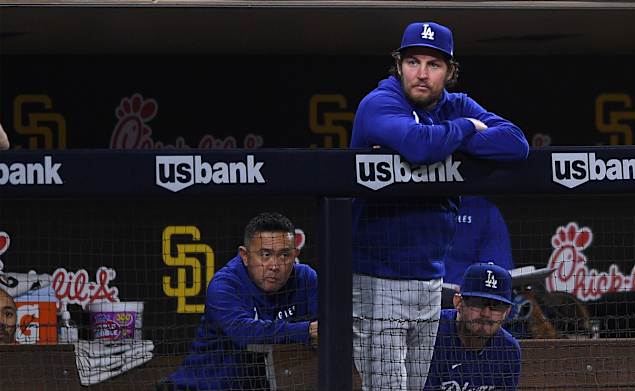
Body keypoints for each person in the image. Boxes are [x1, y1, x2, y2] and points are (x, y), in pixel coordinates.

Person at [351, 21, 528, 390]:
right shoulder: (380, 102)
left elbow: (516, 143)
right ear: (398, 65)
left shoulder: (455, 104)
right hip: (377, 278)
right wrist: (465, 129)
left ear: (450, 71)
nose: (421, 73)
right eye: (413, 61)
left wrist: (449, 138)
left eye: (434, 65)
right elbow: (418, 145)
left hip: (430, 281)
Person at [163, 212, 318, 390]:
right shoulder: (225, 284)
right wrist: (306, 330)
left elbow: (328, 329)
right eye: (265, 254)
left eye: (284, 255)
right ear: (245, 255)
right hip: (200, 387)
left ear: (295, 254)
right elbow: (243, 332)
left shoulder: (306, 278)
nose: (275, 266)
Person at [425, 263, 521, 391]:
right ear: (458, 303)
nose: (486, 314)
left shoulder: (509, 350)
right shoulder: (431, 333)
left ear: (507, 312)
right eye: (478, 303)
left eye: (496, 306)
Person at [441, 196, 515, 308]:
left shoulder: (484, 210)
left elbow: (496, 274)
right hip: (421, 300)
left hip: (471, 305)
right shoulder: (415, 206)